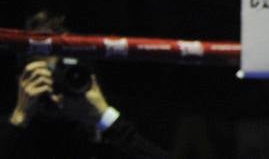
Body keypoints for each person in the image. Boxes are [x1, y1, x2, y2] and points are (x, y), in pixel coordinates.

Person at [2, 12, 169, 158]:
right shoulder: (13, 130)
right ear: (24, 76)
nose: (56, 82)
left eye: (65, 71)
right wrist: (19, 119)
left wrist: (106, 118)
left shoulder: (107, 135)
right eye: (48, 71)